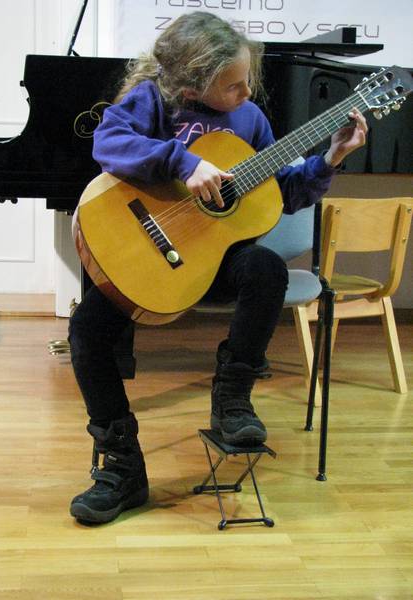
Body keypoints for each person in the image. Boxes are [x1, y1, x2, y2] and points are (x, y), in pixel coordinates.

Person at [69, 11, 367, 524]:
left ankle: (232, 400)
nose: (247, 93)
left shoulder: (249, 122)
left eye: (248, 80)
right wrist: (184, 162)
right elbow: (108, 142)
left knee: (266, 267)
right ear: (191, 84)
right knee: (87, 330)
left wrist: (329, 161)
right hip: (154, 258)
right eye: (233, 85)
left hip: (221, 263)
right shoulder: (152, 100)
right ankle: (122, 467)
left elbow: (281, 193)